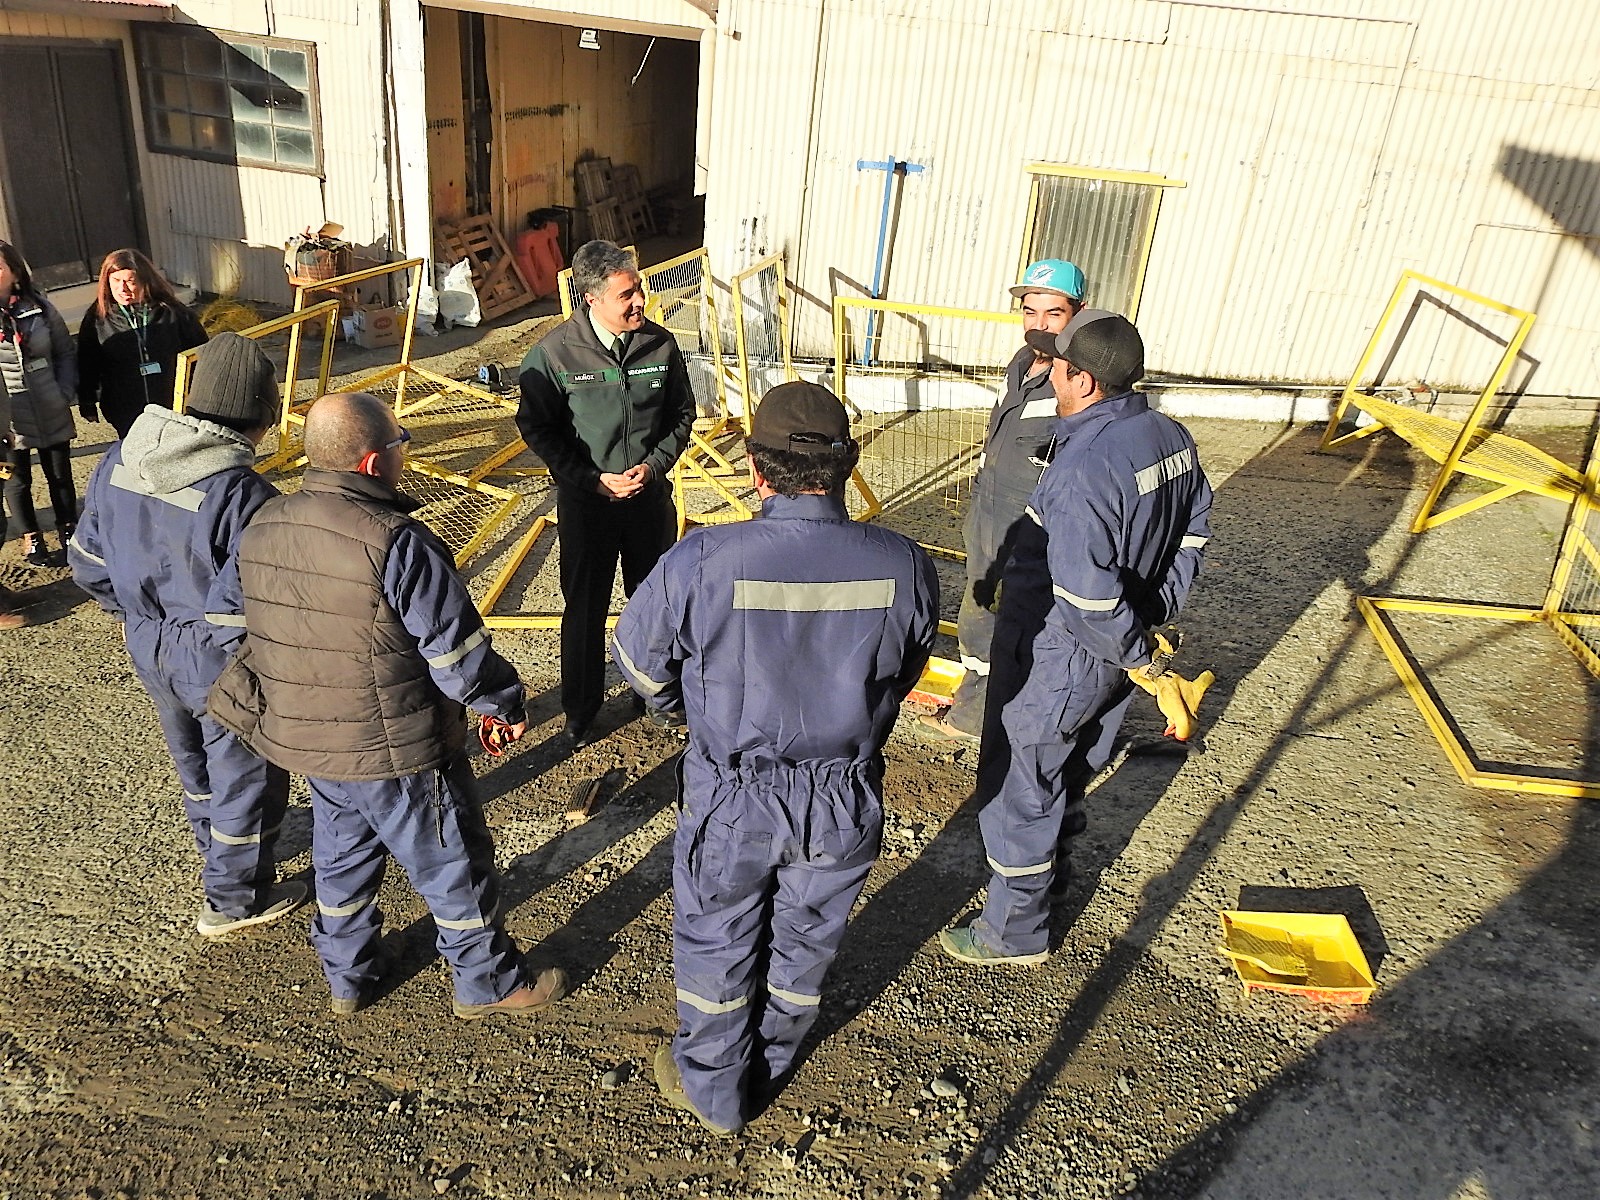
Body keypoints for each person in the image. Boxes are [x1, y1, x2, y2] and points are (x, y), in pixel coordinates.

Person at [612, 381, 939, 1135]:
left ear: (756, 471)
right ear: (847, 465)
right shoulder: (903, 563)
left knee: (716, 936)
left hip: (734, 791)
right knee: (807, 940)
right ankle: (774, 1058)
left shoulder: (704, 557)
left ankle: (717, 1090)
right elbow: (908, 668)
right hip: (843, 792)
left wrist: (691, 715)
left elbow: (637, 660)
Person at [209, 392, 568, 1019]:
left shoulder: (261, 523)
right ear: (374, 463)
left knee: (341, 860)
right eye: (401, 441)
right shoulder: (396, 541)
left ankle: (349, 977)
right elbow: (457, 657)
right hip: (398, 745)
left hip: (314, 745)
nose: (406, 450)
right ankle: (488, 985)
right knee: (451, 862)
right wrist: (503, 704)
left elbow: (222, 623)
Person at [938, 310, 1213, 967]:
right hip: (1118, 643)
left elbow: (1088, 593)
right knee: (1069, 768)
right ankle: (1050, 874)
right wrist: (1150, 614)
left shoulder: (1084, 468)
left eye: (1057, 365)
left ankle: (1014, 933)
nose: (1048, 372)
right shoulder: (1168, 435)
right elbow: (1195, 528)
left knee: (1021, 792)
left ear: (1083, 380)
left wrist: (1141, 656)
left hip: (1067, 654)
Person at [68, 333, 305, 935]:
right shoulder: (241, 492)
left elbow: (88, 564)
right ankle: (235, 899)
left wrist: (136, 617)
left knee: (193, 762)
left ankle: (217, 852)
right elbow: (262, 602)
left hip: (146, 642)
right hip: (220, 655)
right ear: (262, 413)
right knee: (246, 772)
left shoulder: (123, 456)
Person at [516, 239, 697, 748]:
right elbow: (537, 428)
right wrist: (590, 479)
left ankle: (654, 695)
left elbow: (683, 416)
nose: (640, 301)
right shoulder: (554, 354)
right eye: (627, 295)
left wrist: (654, 468)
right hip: (587, 506)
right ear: (591, 299)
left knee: (654, 603)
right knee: (585, 609)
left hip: (647, 502)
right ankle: (581, 708)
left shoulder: (660, 346)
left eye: (638, 289)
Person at [919, 258, 1084, 747]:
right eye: (1030, 311)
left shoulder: (1076, 379)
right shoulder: (1021, 362)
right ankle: (984, 709)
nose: (1039, 324)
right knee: (980, 620)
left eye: (1054, 314)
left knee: (1009, 624)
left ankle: (984, 719)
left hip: (1029, 531)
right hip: (989, 521)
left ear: (1079, 312)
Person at [0, 239, 79, 571]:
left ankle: (69, 533)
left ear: (15, 271)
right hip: (8, 415)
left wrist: (64, 391)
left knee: (60, 475)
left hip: (49, 404)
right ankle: (31, 537)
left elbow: (65, 352)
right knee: (15, 480)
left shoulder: (41, 309)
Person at [76, 248, 209, 440]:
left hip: (173, 406)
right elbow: (87, 362)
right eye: (115, 281)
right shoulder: (97, 318)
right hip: (125, 409)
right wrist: (87, 400)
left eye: (130, 281)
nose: (123, 289)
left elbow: (200, 354)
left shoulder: (173, 312)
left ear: (145, 281)